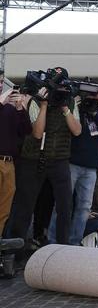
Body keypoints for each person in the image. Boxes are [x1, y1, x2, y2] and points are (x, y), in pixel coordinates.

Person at [6, 67, 81, 262]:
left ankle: (63, 250)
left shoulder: (70, 102)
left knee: (65, 205)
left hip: (60, 159)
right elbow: (37, 133)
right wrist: (45, 105)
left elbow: (77, 131)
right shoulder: (35, 99)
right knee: (24, 206)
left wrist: (65, 108)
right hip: (33, 159)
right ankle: (14, 253)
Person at [48, 89, 98, 246]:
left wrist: (94, 111)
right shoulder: (75, 108)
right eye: (88, 96)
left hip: (90, 168)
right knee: (62, 204)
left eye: (94, 96)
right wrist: (79, 105)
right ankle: (53, 241)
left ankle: (74, 242)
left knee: (84, 207)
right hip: (72, 163)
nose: (90, 99)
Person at [0, 71, 31, 251]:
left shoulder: (10, 108)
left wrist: (21, 109)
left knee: (5, 208)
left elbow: (26, 131)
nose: (1, 85)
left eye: (2, 82)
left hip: (9, 163)